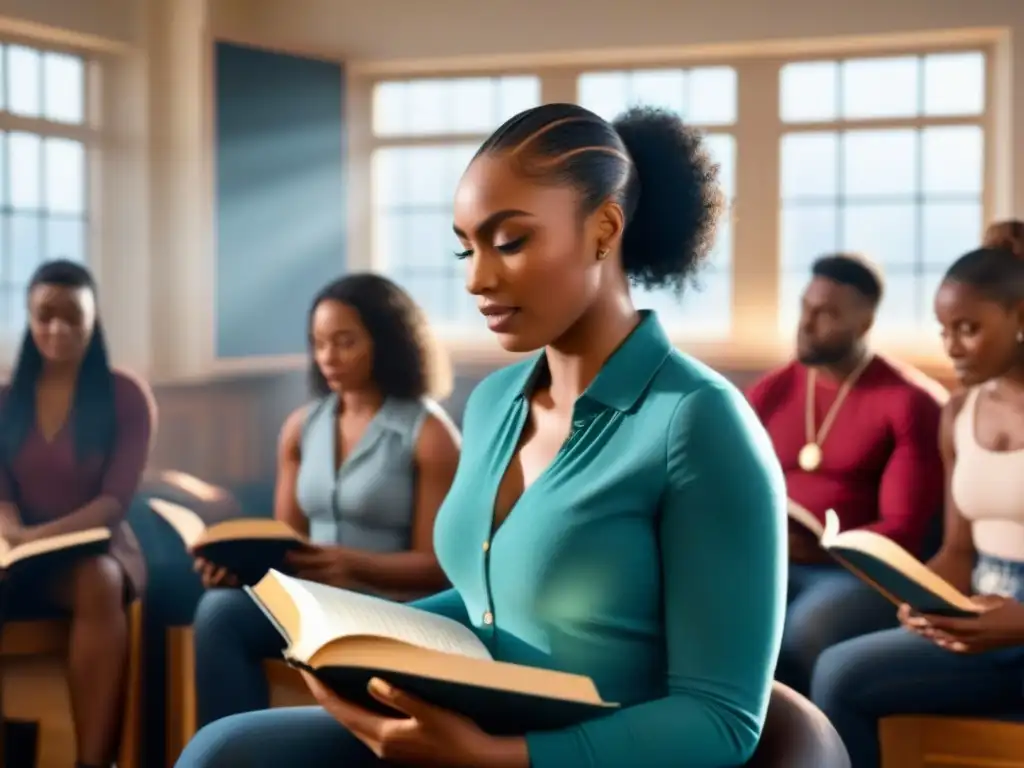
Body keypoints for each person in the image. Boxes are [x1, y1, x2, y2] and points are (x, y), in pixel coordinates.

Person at [175, 104, 787, 768]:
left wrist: (498, 758)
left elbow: (722, 722)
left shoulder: (699, 422)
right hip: (461, 729)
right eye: (467, 247)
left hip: (559, 756)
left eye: (510, 241)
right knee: (223, 750)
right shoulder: (495, 402)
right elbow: (487, 607)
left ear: (605, 229)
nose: (477, 279)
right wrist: (339, 626)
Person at [191, 273, 461, 727]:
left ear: (385, 342)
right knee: (219, 611)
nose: (327, 357)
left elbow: (440, 568)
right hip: (311, 607)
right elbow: (285, 543)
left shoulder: (430, 435)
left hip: (391, 614)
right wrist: (239, 568)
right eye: (318, 343)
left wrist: (355, 565)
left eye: (344, 342)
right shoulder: (301, 427)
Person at [811, 245, 1024, 768]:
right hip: (978, 621)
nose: (952, 346)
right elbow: (956, 549)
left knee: (841, 675)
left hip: (1015, 631)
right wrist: (919, 596)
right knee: (835, 663)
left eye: (968, 328)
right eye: (943, 329)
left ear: (1020, 317)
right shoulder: (958, 413)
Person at [747, 254, 947, 695]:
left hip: (856, 576)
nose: (808, 322)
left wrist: (820, 549)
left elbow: (903, 532)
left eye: (828, 313)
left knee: (799, 636)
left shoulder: (908, 402)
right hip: (771, 558)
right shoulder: (772, 390)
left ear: (865, 322)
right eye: (806, 307)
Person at [0, 259, 155, 768]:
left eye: (72, 317)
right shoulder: (6, 400)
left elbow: (113, 503)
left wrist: (35, 536)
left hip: (91, 550)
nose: (58, 329)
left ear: (93, 319)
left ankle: (94, 762)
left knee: (101, 581)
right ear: (29, 317)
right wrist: (12, 535)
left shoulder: (124, 395)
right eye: (45, 316)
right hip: (14, 553)